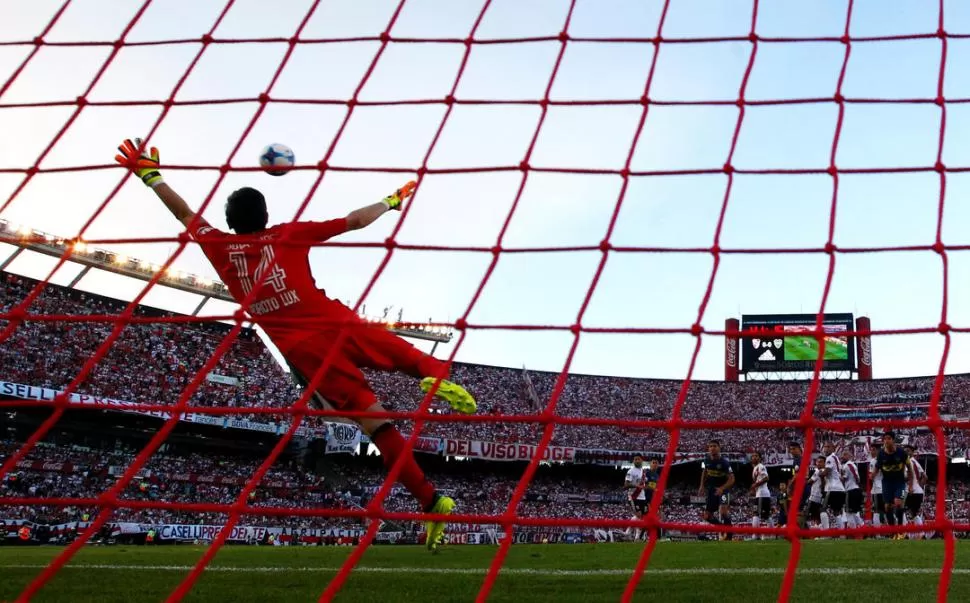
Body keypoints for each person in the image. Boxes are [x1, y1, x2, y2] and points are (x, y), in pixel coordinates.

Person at [115, 138, 477, 552]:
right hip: (336, 322)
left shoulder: (218, 248)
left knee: (379, 428)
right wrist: (390, 201)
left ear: (231, 223)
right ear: (266, 217)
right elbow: (354, 221)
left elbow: (184, 213)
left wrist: (151, 176)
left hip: (309, 355)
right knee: (409, 355)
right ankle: (433, 379)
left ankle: (431, 502)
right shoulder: (288, 235)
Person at [874, 432, 910, 540]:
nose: (886, 441)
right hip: (887, 483)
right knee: (887, 507)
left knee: (898, 503)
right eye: (884, 439)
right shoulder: (881, 454)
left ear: (893, 440)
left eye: (888, 438)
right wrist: (873, 474)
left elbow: (910, 468)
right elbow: (877, 466)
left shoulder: (901, 453)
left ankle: (900, 529)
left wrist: (911, 484)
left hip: (900, 483)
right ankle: (892, 531)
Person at [698, 439, 735, 539]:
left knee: (723, 511)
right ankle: (723, 528)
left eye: (714, 446)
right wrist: (702, 485)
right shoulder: (706, 460)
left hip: (723, 491)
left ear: (719, 448)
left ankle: (729, 536)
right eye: (710, 446)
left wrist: (722, 488)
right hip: (711, 490)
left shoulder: (724, 463)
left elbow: (732, 479)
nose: (712, 448)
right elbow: (704, 472)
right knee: (707, 516)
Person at [902, 444, 927, 539]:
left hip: (910, 490)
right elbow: (925, 477)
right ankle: (921, 535)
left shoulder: (909, 462)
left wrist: (912, 486)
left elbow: (909, 476)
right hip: (917, 491)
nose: (906, 452)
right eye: (905, 451)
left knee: (899, 509)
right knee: (914, 513)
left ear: (912, 452)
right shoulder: (915, 462)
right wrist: (918, 486)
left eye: (908, 451)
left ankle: (905, 534)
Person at [821, 442, 846, 531]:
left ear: (833, 448)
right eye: (825, 447)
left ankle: (826, 532)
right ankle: (842, 533)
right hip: (839, 488)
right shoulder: (836, 458)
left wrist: (818, 473)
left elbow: (825, 472)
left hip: (832, 488)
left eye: (828, 447)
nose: (825, 449)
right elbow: (842, 474)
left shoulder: (830, 458)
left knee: (822, 509)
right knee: (836, 512)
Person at [624, 455, 648, 541]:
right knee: (639, 515)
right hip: (633, 496)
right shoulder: (631, 471)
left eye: (638, 459)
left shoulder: (643, 471)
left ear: (642, 460)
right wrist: (636, 485)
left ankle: (628, 532)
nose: (637, 461)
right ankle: (637, 537)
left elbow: (644, 484)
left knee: (643, 517)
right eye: (635, 459)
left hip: (643, 497)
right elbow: (625, 485)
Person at [749, 451, 771, 539]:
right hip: (760, 493)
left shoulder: (761, 466)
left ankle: (755, 535)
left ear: (760, 458)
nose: (754, 457)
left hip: (762, 493)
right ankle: (771, 534)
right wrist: (754, 489)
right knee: (765, 515)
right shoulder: (755, 468)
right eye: (753, 456)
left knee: (756, 514)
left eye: (756, 456)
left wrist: (755, 485)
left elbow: (766, 478)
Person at [840, 449, 863, 529]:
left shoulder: (847, 465)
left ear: (850, 456)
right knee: (854, 513)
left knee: (848, 513)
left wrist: (838, 476)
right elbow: (857, 478)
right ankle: (863, 528)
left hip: (851, 490)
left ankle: (854, 533)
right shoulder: (853, 465)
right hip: (856, 489)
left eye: (844, 454)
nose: (842, 456)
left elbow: (844, 478)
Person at [868, 443, 886, 532]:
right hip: (885, 488)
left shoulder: (874, 461)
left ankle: (877, 534)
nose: (871, 451)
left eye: (873, 449)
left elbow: (871, 476)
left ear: (878, 450)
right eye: (871, 449)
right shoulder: (886, 460)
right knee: (887, 511)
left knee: (876, 511)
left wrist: (871, 475)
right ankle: (897, 531)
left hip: (877, 489)